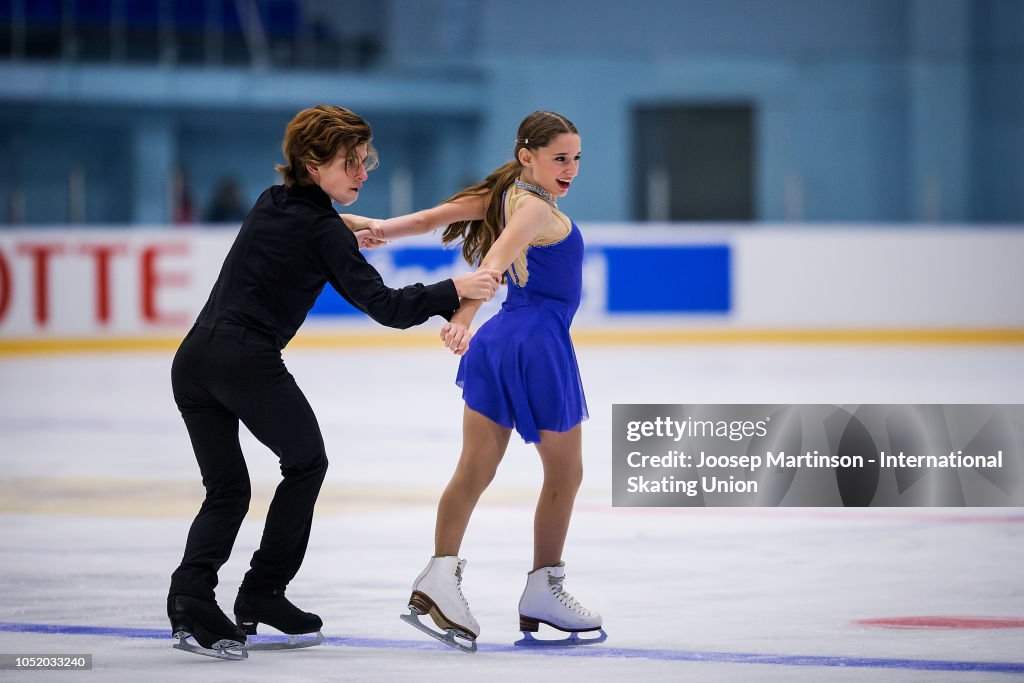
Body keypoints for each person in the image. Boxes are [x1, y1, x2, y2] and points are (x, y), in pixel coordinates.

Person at [167, 105, 501, 660]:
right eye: (351, 163)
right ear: (312, 164)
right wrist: (455, 289)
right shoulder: (322, 229)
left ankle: (191, 598)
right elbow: (388, 307)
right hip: (246, 359)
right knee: (306, 463)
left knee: (228, 490)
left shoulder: (273, 201)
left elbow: (315, 215)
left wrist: (356, 224)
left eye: (365, 160)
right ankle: (263, 591)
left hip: (195, 360)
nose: (363, 172)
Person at [344, 111, 605, 650]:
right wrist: (460, 318)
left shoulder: (503, 194)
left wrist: (372, 228)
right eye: (560, 157)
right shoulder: (531, 207)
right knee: (566, 472)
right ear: (526, 156)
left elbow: (421, 222)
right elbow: (494, 258)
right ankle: (544, 589)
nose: (571, 168)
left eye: (577, 157)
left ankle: (438, 578)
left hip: (498, 342)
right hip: (537, 344)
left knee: (473, 471)